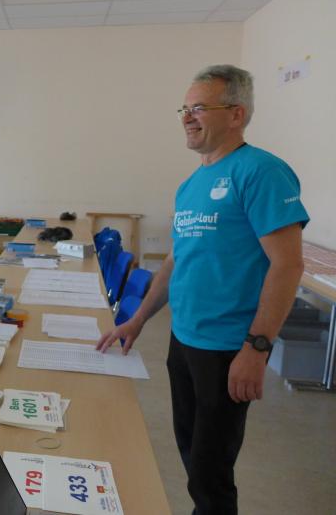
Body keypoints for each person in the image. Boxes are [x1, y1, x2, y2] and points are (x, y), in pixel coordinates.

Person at [97, 65, 309, 515]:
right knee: (193, 458)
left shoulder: (261, 172)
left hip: (228, 349)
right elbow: (176, 261)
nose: (187, 118)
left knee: (211, 477)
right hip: (185, 340)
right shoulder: (190, 185)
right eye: (184, 109)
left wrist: (256, 348)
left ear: (236, 114)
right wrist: (138, 319)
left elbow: (288, 265)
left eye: (198, 108)